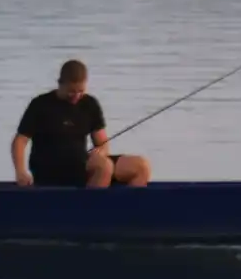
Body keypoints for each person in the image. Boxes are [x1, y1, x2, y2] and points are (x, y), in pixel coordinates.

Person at [12, 60, 151, 188]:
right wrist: (20, 171)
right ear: (60, 84)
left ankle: (126, 212)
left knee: (141, 166)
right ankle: (90, 212)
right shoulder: (40, 104)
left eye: (81, 91)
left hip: (82, 163)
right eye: (71, 91)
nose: (76, 96)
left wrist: (101, 151)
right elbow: (20, 141)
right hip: (50, 169)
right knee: (104, 167)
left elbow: (102, 142)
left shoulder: (90, 104)